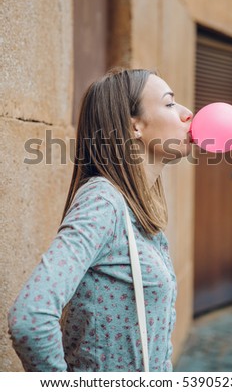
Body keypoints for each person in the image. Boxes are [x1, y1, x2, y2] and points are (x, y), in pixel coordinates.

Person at [8, 68, 193, 372]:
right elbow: (30, 317)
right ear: (134, 125)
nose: (187, 114)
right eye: (170, 103)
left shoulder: (138, 204)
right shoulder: (103, 201)